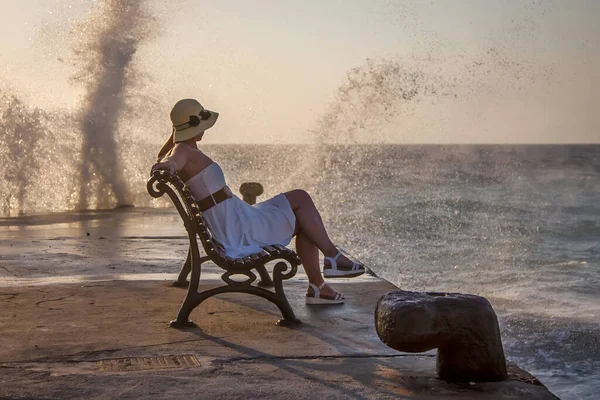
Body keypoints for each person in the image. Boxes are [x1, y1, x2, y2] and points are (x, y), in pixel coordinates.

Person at [152, 99, 365, 304]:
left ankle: (320, 282)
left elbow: (166, 156)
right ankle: (332, 260)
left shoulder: (184, 149)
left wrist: (173, 141)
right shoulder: (183, 151)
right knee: (301, 199)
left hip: (238, 217)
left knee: (302, 210)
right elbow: (172, 160)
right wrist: (169, 164)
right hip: (238, 229)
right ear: (194, 125)